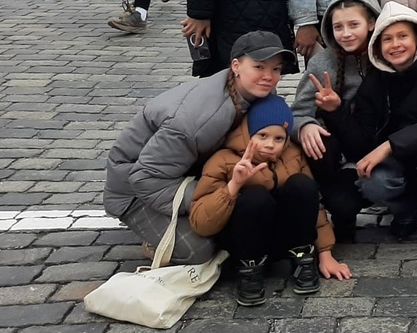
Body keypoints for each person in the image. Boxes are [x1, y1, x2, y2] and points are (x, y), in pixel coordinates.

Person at [103, 31, 291, 264]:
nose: (269, 77)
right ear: (236, 66)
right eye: (259, 67)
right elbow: (144, 180)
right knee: (201, 250)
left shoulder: (253, 90)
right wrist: (215, 196)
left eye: (276, 69)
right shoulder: (193, 122)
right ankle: (155, 239)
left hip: (184, 172)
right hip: (133, 191)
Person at [189, 94, 351, 306]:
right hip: (245, 240)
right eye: (262, 135)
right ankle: (250, 269)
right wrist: (233, 186)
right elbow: (201, 222)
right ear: (248, 134)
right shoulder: (224, 160)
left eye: (279, 138)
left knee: (302, 184)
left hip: (283, 237)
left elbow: (313, 204)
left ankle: (302, 257)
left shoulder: (293, 155)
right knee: (255, 196)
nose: (270, 145)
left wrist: (325, 251)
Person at [326, 2, 417, 247]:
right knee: (371, 182)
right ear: (378, 46)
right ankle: (405, 211)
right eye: (387, 39)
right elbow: (362, 141)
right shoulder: (374, 79)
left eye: (403, 36)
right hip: (396, 162)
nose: (395, 45)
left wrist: (390, 145)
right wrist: (336, 111)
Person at [292, 0, 381, 243]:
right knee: (320, 143)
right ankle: (329, 206)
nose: (346, 33)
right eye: (338, 26)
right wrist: (306, 125)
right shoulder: (322, 63)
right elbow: (298, 111)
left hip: (370, 146)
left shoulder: (384, 57)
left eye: (354, 24)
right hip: (333, 153)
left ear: (372, 22)